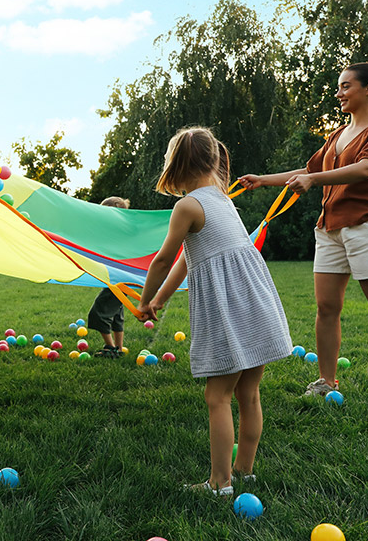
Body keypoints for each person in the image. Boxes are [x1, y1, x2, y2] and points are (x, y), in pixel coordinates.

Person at [238, 62, 368, 408]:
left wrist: (314, 181)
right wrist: (263, 179)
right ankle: (326, 380)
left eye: (346, 86)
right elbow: (311, 170)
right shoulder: (336, 135)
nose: (339, 93)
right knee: (326, 307)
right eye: (339, 86)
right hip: (329, 229)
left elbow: (366, 168)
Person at [138, 127, 292, 495]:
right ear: (213, 160)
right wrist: (161, 299)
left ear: (175, 165)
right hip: (256, 304)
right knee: (249, 394)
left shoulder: (187, 206)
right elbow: (189, 259)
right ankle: (244, 471)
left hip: (229, 310)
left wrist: (144, 300)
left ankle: (220, 484)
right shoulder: (222, 200)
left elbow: (161, 260)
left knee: (217, 397)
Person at [88, 196, 131, 358]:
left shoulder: (119, 233)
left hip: (119, 280)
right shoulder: (121, 232)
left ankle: (110, 348)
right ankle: (119, 349)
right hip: (121, 279)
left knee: (98, 312)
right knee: (116, 315)